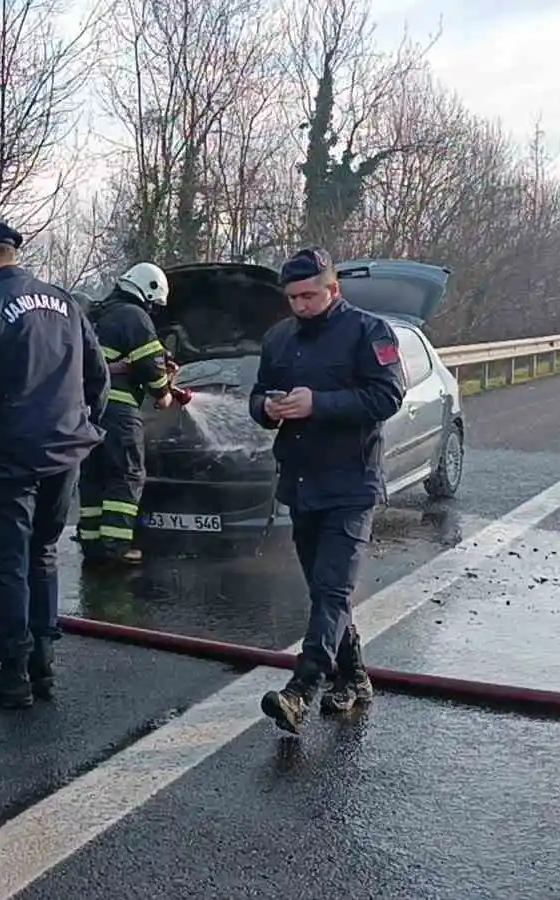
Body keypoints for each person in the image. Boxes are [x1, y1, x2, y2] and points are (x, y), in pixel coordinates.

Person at [0, 214, 108, 709]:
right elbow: (98, 378)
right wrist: (83, 427)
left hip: (9, 454)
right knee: (43, 553)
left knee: (5, 560)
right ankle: (43, 664)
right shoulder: (66, 303)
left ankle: (13, 670)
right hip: (65, 453)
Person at [249, 248, 407, 734]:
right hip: (300, 481)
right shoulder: (279, 339)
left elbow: (388, 395)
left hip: (351, 482)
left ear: (333, 289)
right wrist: (268, 409)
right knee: (323, 590)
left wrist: (318, 403)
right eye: (293, 297)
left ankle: (302, 688)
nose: (300, 305)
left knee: (333, 588)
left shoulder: (367, 331)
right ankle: (354, 676)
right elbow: (258, 393)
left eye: (310, 296)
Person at [77, 262, 175, 565]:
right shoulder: (133, 315)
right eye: (155, 305)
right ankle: (116, 548)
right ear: (148, 292)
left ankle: (93, 545)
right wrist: (164, 392)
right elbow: (150, 367)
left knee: (94, 477)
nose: (154, 311)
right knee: (126, 474)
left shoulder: (95, 315)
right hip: (119, 413)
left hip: (87, 414)